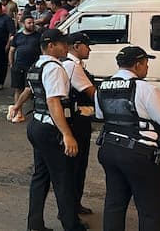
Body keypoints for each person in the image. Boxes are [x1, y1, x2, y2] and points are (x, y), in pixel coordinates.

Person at [95, 46, 160, 231]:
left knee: (115, 203)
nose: (147, 68)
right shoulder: (146, 89)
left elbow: (100, 115)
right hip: (139, 154)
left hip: (109, 149)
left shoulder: (102, 87)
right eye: (145, 63)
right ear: (137, 65)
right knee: (150, 209)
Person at [20, 29, 86, 231]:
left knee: (41, 176)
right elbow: (53, 101)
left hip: (36, 126)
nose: (66, 47)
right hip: (51, 128)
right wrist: (67, 134)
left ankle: (35, 224)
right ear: (51, 46)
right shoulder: (55, 67)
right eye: (62, 43)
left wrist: (16, 105)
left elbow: (30, 90)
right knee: (63, 178)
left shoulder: (37, 65)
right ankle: (71, 225)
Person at [63, 32, 96, 218]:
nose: (89, 49)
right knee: (76, 167)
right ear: (76, 46)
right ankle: (70, 209)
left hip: (76, 121)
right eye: (86, 45)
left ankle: (74, 204)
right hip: (77, 122)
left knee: (77, 167)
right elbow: (92, 93)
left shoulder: (73, 65)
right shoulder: (73, 67)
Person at [7, 16, 41, 122]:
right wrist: (11, 64)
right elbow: (12, 51)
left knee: (29, 89)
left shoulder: (38, 36)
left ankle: (15, 106)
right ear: (23, 24)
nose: (31, 25)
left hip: (32, 68)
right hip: (18, 66)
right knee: (18, 89)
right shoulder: (18, 36)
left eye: (32, 22)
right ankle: (19, 112)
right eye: (29, 23)